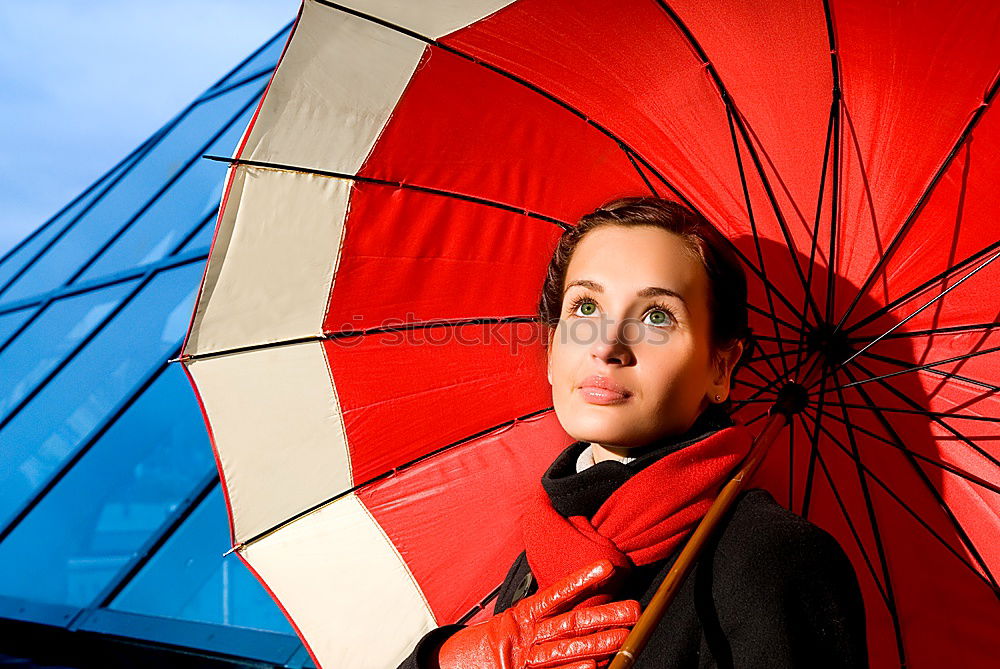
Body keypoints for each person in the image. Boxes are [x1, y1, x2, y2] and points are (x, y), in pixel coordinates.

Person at [396, 197, 868, 668]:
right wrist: (443, 661)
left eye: (656, 316)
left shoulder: (773, 561)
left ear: (720, 367)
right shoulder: (543, 547)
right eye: (584, 306)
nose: (606, 345)